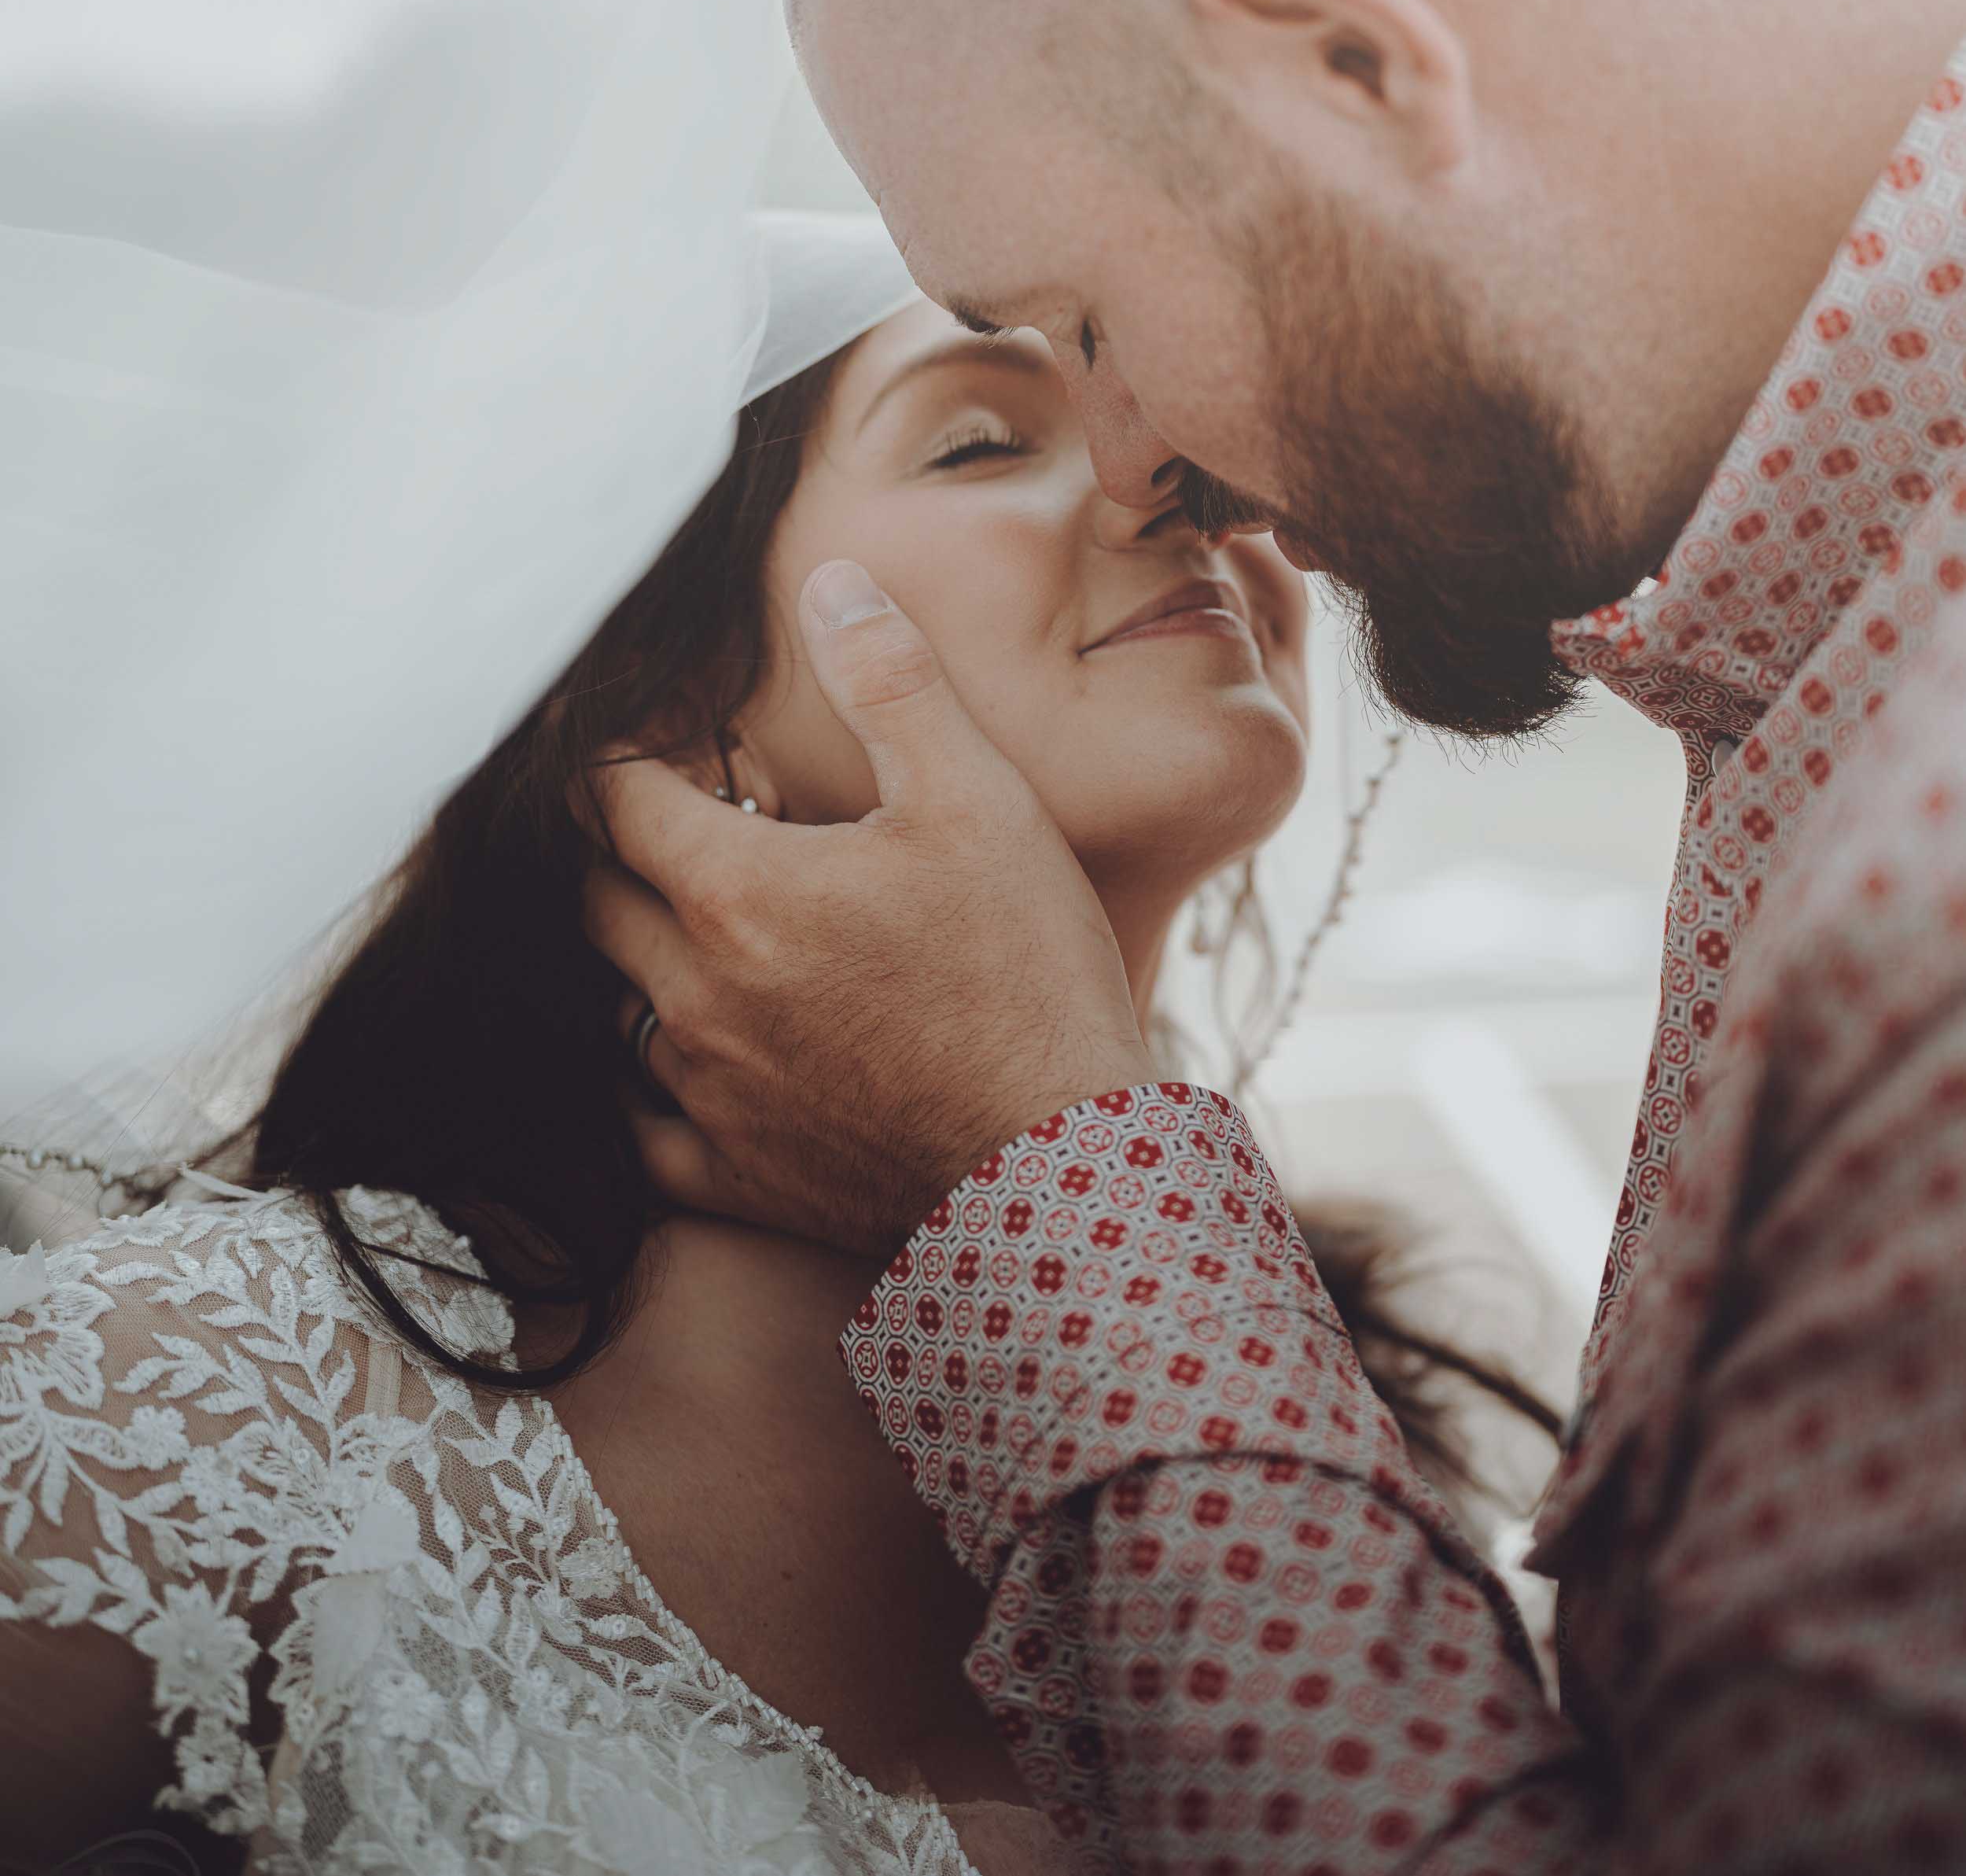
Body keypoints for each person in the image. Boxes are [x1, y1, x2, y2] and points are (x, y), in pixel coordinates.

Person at [575, 0, 1966, 1869]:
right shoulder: (1821, 679)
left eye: (1096, 328)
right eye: (992, 405)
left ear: (1344, 63)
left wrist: (1045, 1183)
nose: (1150, 467)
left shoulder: (1920, 905)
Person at [0, 220, 1548, 1875]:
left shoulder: (1338, 1416)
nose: (1171, 476)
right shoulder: (225, 1392)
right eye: (978, 438)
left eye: (1166, 412)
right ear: (665, 714)